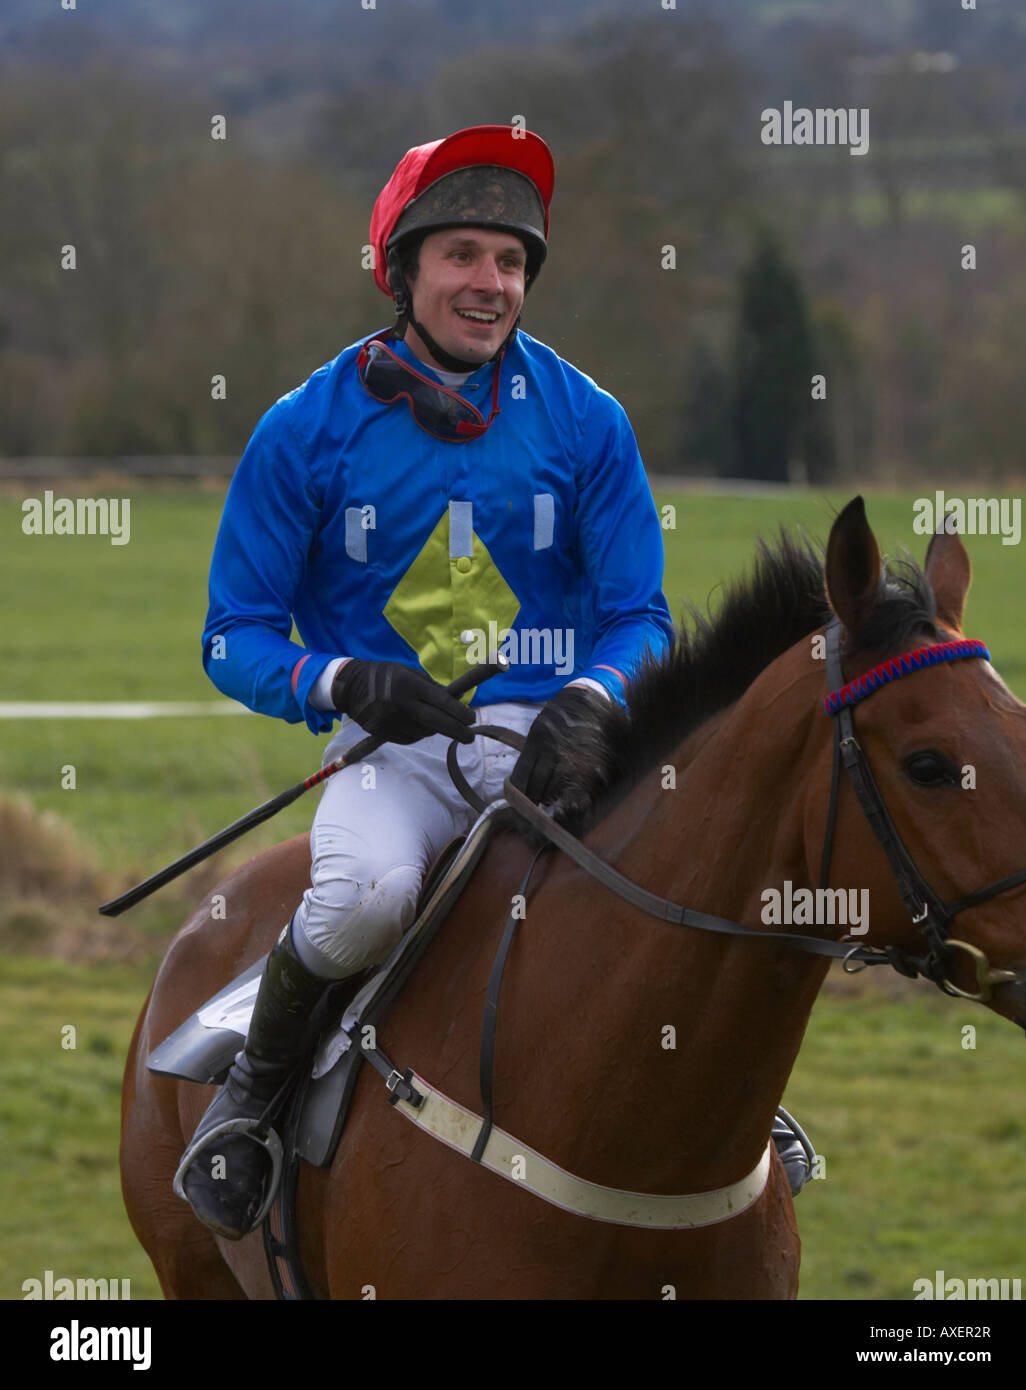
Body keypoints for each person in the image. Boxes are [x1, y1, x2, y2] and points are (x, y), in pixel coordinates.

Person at [177, 125, 674, 1240]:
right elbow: (231, 636)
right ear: (399, 269)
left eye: (510, 261)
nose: (490, 283)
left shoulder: (590, 422)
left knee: (666, 884)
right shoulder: (302, 430)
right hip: (393, 755)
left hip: (557, 740)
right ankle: (252, 1100)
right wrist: (344, 680)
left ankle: (737, 1110)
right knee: (362, 900)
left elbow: (642, 616)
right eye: (461, 255)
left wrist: (590, 700)